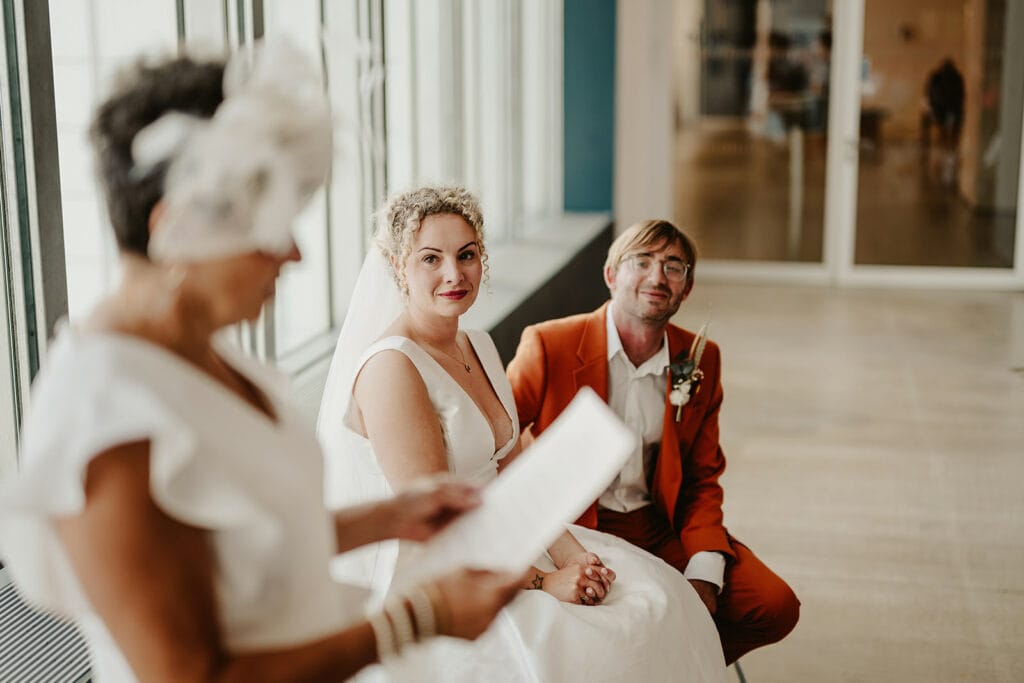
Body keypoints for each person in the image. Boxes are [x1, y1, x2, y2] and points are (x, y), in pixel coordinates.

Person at [0, 43, 522, 683]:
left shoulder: (204, 353)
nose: (295, 255)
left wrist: (388, 518)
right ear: (179, 227)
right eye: (271, 227)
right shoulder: (109, 420)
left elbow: (238, 552)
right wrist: (416, 619)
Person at [318, 187, 728, 682]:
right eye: (432, 258)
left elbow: (515, 468)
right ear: (397, 265)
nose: (455, 273)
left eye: (467, 255)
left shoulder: (480, 344)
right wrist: (544, 582)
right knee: (598, 653)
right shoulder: (391, 368)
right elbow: (435, 528)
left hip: (512, 534)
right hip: (445, 573)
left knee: (660, 601)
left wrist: (576, 556)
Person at [506, 219, 800, 665]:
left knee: (774, 606)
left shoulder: (701, 358)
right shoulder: (549, 345)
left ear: (687, 287)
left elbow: (702, 477)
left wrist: (704, 573)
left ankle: (671, 668)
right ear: (611, 275)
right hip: (579, 528)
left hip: (661, 526)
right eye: (641, 262)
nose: (657, 277)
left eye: (673, 266)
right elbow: (498, 447)